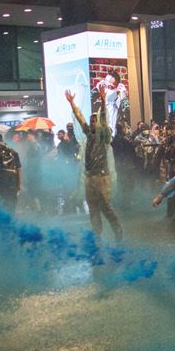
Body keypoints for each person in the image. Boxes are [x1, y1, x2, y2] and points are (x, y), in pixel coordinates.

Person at [66, 86, 123, 240]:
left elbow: (103, 118)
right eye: (91, 121)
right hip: (90, 177)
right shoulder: (89, 135)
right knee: (92, 208)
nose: (91, 123)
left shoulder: (103, 134)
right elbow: (80, 119)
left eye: (93, 120)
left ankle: (117, 230)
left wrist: (104, 101)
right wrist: (72, 104)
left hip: (102, 177)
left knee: (105, 207)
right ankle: (97, 234)